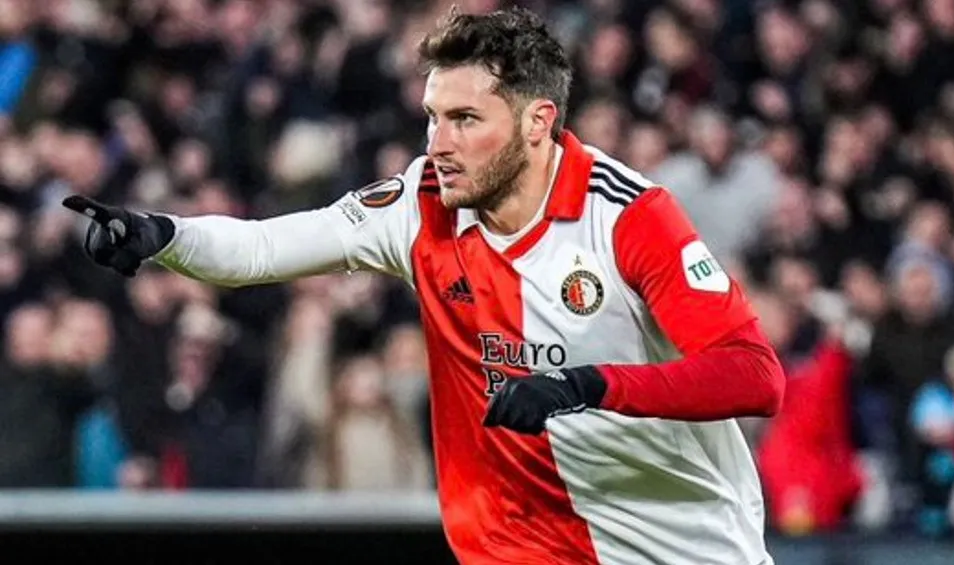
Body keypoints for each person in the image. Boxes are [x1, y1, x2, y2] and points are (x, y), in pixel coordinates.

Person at [62, 7, 784, 565]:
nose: (437, 142)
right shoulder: (421, 202)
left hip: (681, 545)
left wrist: (589, 385)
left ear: (538, 123)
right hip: (518, 545)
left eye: (465, 119)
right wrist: (165, 236)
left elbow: (754, 375)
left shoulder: (629, 217)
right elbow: (265, 245)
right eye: (433, 116)